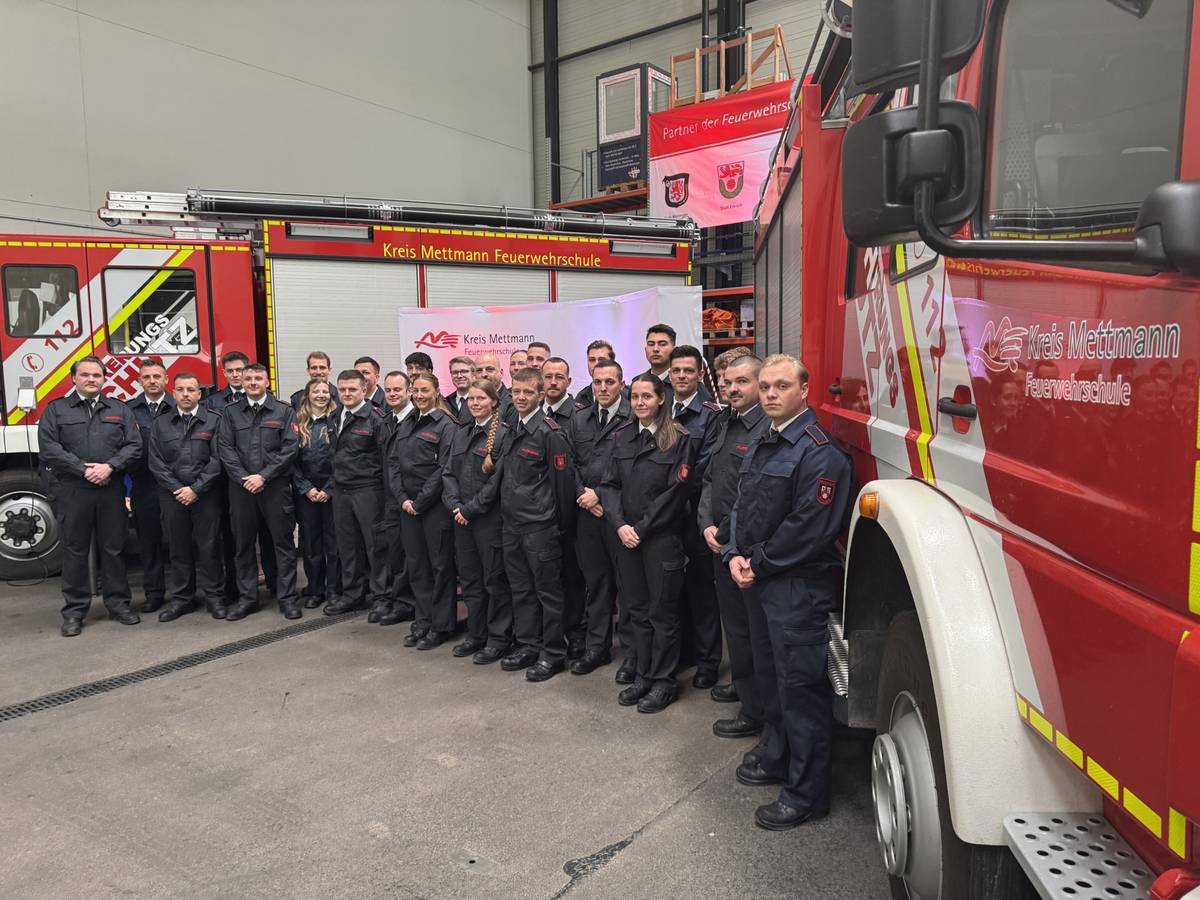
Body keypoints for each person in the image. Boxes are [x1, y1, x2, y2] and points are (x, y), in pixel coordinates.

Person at [725, 354, 853, 831]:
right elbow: (744, 504)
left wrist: (754, 563)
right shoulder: (765, 440)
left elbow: (809, 530)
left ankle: (806, 795)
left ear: (804, 390)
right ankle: (777, 757)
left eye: (782, 385)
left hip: (797, 588)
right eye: (766, 386)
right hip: (761, 580)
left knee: (801, 692)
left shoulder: (820, 453)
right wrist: (734, 551)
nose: (771, 394)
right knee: (773, 679)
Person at [598, 373, 694, 712]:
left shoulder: (678, 438)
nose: (639, 403)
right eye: (635, 397)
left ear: (661, 399)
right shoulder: (622, 437)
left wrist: (640, 527)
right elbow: (608, 486)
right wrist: (621, 525)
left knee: (662, 613)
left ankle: (663, 682)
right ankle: (642, 674)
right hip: (626, 540)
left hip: (661, 541)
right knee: (635, 611)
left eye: (646, 397)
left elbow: (675, 493)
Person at [38, 356, 143, 636]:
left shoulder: (119, 410)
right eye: (85, 375)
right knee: (75, 551)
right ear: (74, 378)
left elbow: (135, 446)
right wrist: (82, 470)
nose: (91, 379)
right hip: (74, 490)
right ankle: (74, 611)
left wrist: (110, 466)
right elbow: (49, 448)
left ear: (104, 378)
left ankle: (118, 605)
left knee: (114, 549)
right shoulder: (56, 410)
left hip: (110, 489)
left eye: (96, 375)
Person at [697, 354, 770, 739]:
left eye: (742, 382)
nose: (732, 389)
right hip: (720, 544)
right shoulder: (726, 422)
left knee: (752, 631)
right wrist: (707, 524)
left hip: (743, 548)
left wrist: (724, 534)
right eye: (727, 382)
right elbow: (710, 478)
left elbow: (751, 495)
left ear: (759, 384)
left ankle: (755, 710)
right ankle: (744, 688)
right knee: (736, 630)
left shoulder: (765, 429)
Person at [493, 368, 575, 681]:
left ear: (541, 395)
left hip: (540, 528)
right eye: (517, 392)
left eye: (529, 392)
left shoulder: (550, 433)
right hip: (511, 525)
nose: (522, 397)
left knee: (548, 593)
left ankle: (553, 653)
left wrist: (556, 526)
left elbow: (563, 489)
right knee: (521, 590)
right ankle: (528, 644)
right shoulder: (510, 426)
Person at [216, 362, 302, 621]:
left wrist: (263, 476)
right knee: (243, 546)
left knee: (283, 544)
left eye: (258, 378)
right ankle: (247, 598)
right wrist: (245, 478)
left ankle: (286, 598)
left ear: (267, 382)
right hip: (241, 490)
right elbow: (225, 448)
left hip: (275, 488)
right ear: (242, 381)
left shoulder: (284, 411)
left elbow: (290, 447)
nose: (253, 382)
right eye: (248, 378)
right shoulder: (230, 413)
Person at [566, 358, 631, 676]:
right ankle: (597, 649)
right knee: (597, 584)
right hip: (587, 515)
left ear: (621, 384)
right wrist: (584, 495)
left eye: (609, 382)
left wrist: (601, 496)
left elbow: (633, 469)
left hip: (619, 517)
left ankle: (633, 655)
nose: (603, 388)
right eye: (597, 382)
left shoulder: (633, 416)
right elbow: (570, 464)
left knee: (629, 587)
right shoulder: (579, 419)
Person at [442, 379, 514, 663]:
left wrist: (471, 509)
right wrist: (456, 506)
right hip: (462, 520)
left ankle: (498, 639)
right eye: (471, 399)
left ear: (494, 402)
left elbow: (497, 482)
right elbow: (448, 473)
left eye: (481, 399)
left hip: (488, 520)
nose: (474, 403)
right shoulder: (461, 433)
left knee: (494, 581)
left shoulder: (502, 436)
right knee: (471, 581)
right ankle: (477, 634)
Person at [668, 345, 724, 689]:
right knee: (673, 592)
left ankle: (707, 661)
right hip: (665, 518)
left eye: (689, 371)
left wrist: (668, 491)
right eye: (677, 371)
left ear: (699, 375)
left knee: (702, 593)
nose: (682, 376)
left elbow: (705, 467)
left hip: (693, 515)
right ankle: (684, 652)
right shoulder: (662, 409)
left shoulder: (712, 415)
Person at [148, 372, 225, 621]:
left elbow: (218, 459)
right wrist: (178, 489)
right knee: (178, 549)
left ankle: (215, 597)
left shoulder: (214, 421)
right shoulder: (160, 423)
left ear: (199, 394)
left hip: (207, 495)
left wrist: (196, 489)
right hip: (173, 497)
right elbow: (155, 462)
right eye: (180, 389)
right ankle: (183, 599)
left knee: (210, 548)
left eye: (191, 389)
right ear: (173, 392)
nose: (186, 394)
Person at [389, 372, 458, 649]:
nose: (419, 395)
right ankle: (423, 621)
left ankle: (441, 626)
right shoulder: (406, 423)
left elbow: (445, 468)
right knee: (417, 566)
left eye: (425, 390)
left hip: (433, 508)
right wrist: (403, 498)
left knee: (440, 567)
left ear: (437, 391)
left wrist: (420, 501)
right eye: (415, 391)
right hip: (408, 507)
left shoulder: (446, 425)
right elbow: (393, 463)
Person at [325, 370, 391, 618]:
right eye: (342, 390)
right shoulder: (334, 417)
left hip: (368, 491)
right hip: (341, 491)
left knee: (376, 547)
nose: (347, 394)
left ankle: (383, 597)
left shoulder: (376, 419)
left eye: (352, 389)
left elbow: (385, 461)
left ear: (364, 390)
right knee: (348, 547)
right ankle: (353, 595)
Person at [541, 357, 585, 657]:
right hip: (538, 515)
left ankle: (576, 632)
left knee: (573, 577)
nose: (553, 382)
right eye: (548, 377)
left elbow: (580, 465)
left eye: (560, 376)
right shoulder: (530, 415)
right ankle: (551, 635)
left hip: (571, 513)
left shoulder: (579, 417)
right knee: (547, 581)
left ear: (569, 381)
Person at [205, 349, 253, 609]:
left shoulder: (262, 398)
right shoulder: (213, 403)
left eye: (240, 370)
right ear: (224, 373)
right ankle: (233, 588)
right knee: (230, 536)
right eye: (231, 371)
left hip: (257, 481)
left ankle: (270, 585)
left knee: (263, 536)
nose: (236, 375)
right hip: (223, 480)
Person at [126, 358, 174, 614]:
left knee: (180, 541)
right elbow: (121, 448)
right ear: (139, 380)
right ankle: (154, 593)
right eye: (147, 377)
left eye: (157, 376)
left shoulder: (178, 406)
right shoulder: (129, 410)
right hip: (143, 485)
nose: (152, 381)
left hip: (175, 485)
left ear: (166, 378)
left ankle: (181, 593)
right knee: (149, 541)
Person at [293, 379, 341, 611]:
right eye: (316, 391)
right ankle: (315, 589)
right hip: (307, 494)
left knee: (334, 544)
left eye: (325, 391)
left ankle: (333, 589)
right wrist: (307, 488)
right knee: (311, 544)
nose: (321, 395)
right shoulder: (297, 422)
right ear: (307, 394)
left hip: (333, 492)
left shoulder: (338, 421)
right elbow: (290, 461)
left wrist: (329, 489)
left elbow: (343, 460)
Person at [377, 371, 418, 627]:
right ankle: (400, 599)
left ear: (409, 391)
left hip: (411, 499)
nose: (393, 394)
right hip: (391, 498)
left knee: (412, 555)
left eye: (397, 390)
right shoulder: (385, 421)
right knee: (395, 552)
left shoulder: (417, 420)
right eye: (389, 390)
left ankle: (409, 604)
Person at [475, 352, 518, 426]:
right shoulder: (469, 403)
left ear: (501, 373)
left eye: (490, 369)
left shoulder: (513, 404)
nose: (484, 374)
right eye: (479, 370)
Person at [574, 340, 616, 408]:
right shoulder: (581, 397)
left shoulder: (629, 395)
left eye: (601, 360)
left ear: (613, 363)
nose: (596, 364)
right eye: (592, 360)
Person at [444, 356, 476, 422]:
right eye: (455, 372)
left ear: (473, 373)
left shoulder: (482, 400)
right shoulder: (445, 402)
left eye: (464, 371)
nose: (459, 376)